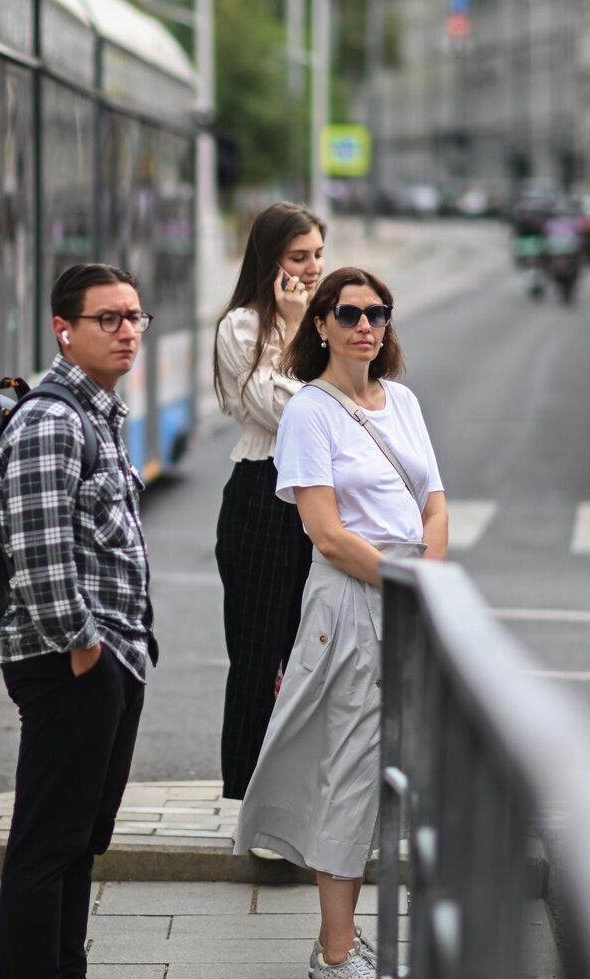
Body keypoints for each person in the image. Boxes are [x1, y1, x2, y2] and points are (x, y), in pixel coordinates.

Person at [233, 266, 448, 979]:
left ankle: (350, 940)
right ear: (320, 324)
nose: (365, 325)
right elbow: (325, 534)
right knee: (353, 766)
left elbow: (436, 504)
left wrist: (431, 580)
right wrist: (407, 582)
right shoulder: (309, 413)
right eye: (349, 313)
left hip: (409, 593)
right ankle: (333, 954)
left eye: (377, 313)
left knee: (398, 771)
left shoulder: (405, 402)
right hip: (355, 596)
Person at [0, 264, 165, 979]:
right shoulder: (50, 423)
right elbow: (38, 553)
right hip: (67, 661)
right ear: (65, 329)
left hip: (108, 658)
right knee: (47, 838)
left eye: (135, 316)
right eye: (108, 319)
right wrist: (84, 645)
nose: (127, 331)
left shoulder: (101, 415)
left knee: (80, 837)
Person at [213, 202, 325, 801]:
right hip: (261, 493)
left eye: (316, 256)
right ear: (270, 261)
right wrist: (293, 329)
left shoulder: (327, 319)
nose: (310, 270)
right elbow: (285, 412)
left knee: (313, 652)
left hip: (317, 498)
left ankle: (299, 790)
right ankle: (247, 793)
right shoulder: (241, 326)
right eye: (297, 257)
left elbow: (350, 404)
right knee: (258, 654)